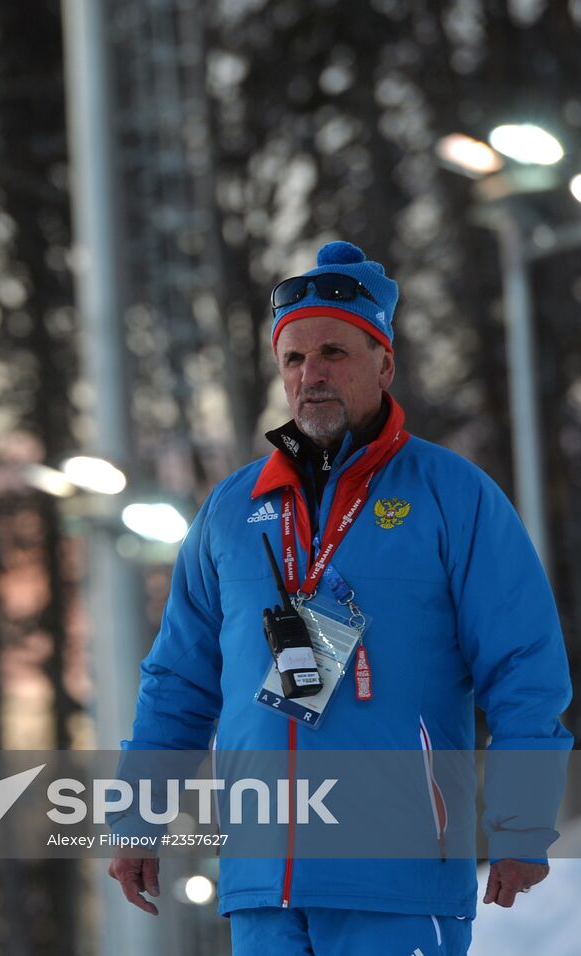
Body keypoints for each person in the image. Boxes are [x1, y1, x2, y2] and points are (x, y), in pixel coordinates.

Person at [106, 241, 573, 954]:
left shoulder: (452, 496)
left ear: (384, 364)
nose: (310, 375)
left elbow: (524, 669)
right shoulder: (233, 510)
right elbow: (178, 681)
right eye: (293, 359)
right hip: (264, 889)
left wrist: (522, 821)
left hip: (400, 882)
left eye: (333, 353)